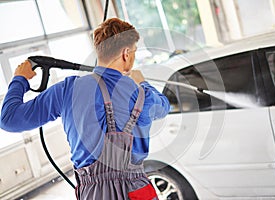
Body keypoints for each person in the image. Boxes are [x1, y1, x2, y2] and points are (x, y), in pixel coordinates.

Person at [0, 18, 170, 200]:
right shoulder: (142, 95)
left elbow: (9, 120)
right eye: (134, 52)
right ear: (126, 53)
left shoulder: (67, 90)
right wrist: (142, 82)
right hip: (137, 192)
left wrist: (20, 79)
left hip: (94, 194)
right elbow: (164, 106)